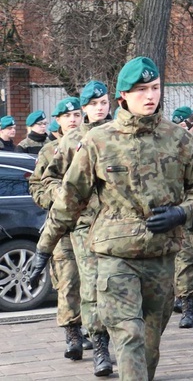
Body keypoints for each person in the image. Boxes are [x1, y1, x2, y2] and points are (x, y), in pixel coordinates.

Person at [28, 57, 193, 381]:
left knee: (150, 343)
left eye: (155, 88)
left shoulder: (178, 139)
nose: (150, 96)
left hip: (161, 255)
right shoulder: (99, 141)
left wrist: (182, 212)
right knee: (128, 334)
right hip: (115, 257)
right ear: (123, 98)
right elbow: (69, 200)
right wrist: (44, 249)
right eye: (141, 89)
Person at [37, 81, 114, 376]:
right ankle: (88, 339)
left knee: (115, 287)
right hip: (78, 225)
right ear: (84, 108)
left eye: (103, 102)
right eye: (93, 104)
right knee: (79, 283)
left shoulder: (118, 134)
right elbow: (47, 179)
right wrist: (64, 198)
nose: (99, 108)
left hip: (116, 223)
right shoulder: (68, 143)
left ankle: (115, 340)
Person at [28, 97, 84, 359]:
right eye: (67, 116)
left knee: (96, 281)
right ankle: (73, 333)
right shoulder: (50, 150)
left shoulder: (92, 142)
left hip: (92, 224)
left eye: (77, 115)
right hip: (61, 227)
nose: (73, 120)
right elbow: (37, 185)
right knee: (68, 280)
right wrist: (55, 199)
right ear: (58, 120)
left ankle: (98, 333)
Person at [170, 106, 193, 327]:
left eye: (185, 125)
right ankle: (187, 306)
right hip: (181, 212)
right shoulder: (172, 149)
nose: (182, 130)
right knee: (183, 264)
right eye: (178, 126)